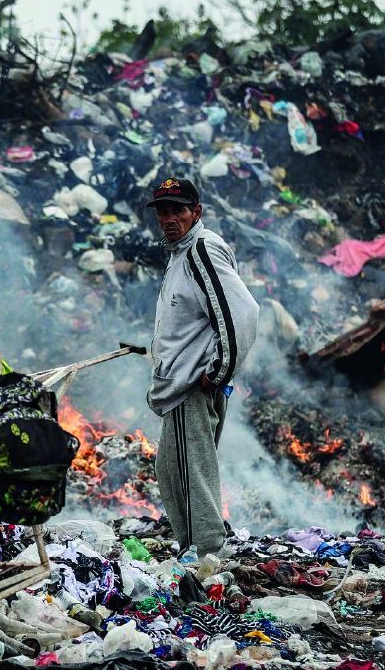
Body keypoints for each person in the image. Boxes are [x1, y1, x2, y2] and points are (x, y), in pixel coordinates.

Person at [145, 177, 259, 557]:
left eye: (179, 209)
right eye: (163, 211)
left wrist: (220, 369)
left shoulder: (201, 250)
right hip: (181, 385)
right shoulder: (182, 254)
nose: (170, 218)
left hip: (190, 385)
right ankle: (195, 548)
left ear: (197, 212)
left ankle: (206, 552)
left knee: (188, 472)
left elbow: (241, 312)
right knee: (172, 469)